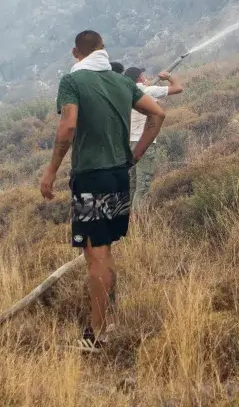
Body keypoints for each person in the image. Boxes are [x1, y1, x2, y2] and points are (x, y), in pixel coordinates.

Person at [40, 30, 164, 352]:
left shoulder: (73, 82)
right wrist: (134, 156)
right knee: (104, 250)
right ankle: (109, 322)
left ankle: (97, 334)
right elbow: (158, 113)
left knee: (94, 254)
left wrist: (51, 171)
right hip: (118, 177)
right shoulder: (123, 82)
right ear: (103, 50)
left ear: (74, 52)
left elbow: (68, 126)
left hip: (91, 178)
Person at [123, 66, 184, 210]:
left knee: (131, 185)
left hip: (127, 143)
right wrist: (168, 76)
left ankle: (128, 222)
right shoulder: (147, 91)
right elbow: (178, 88)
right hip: (144, 142)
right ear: (139, 77)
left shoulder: (124, 93)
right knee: (142, 186)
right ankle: (140, 222)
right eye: (142, 75)